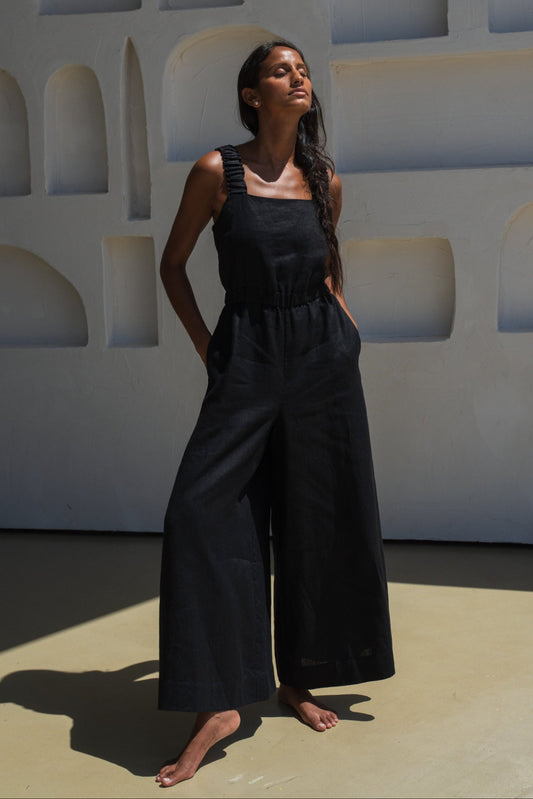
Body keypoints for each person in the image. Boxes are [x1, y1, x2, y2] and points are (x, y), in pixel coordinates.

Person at [156, 40, 395, 787]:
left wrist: (346, 328)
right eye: (280, 70)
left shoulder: (323, 177)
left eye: (302, 70)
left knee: (315, 516)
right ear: (251, 93)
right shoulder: (215, 172)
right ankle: (219, 700)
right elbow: (172, 264)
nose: (298, 77)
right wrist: (209, 350)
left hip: (322, 357)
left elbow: (327, 262)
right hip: (249, 352)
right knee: (201, 510)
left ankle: (301, 673)